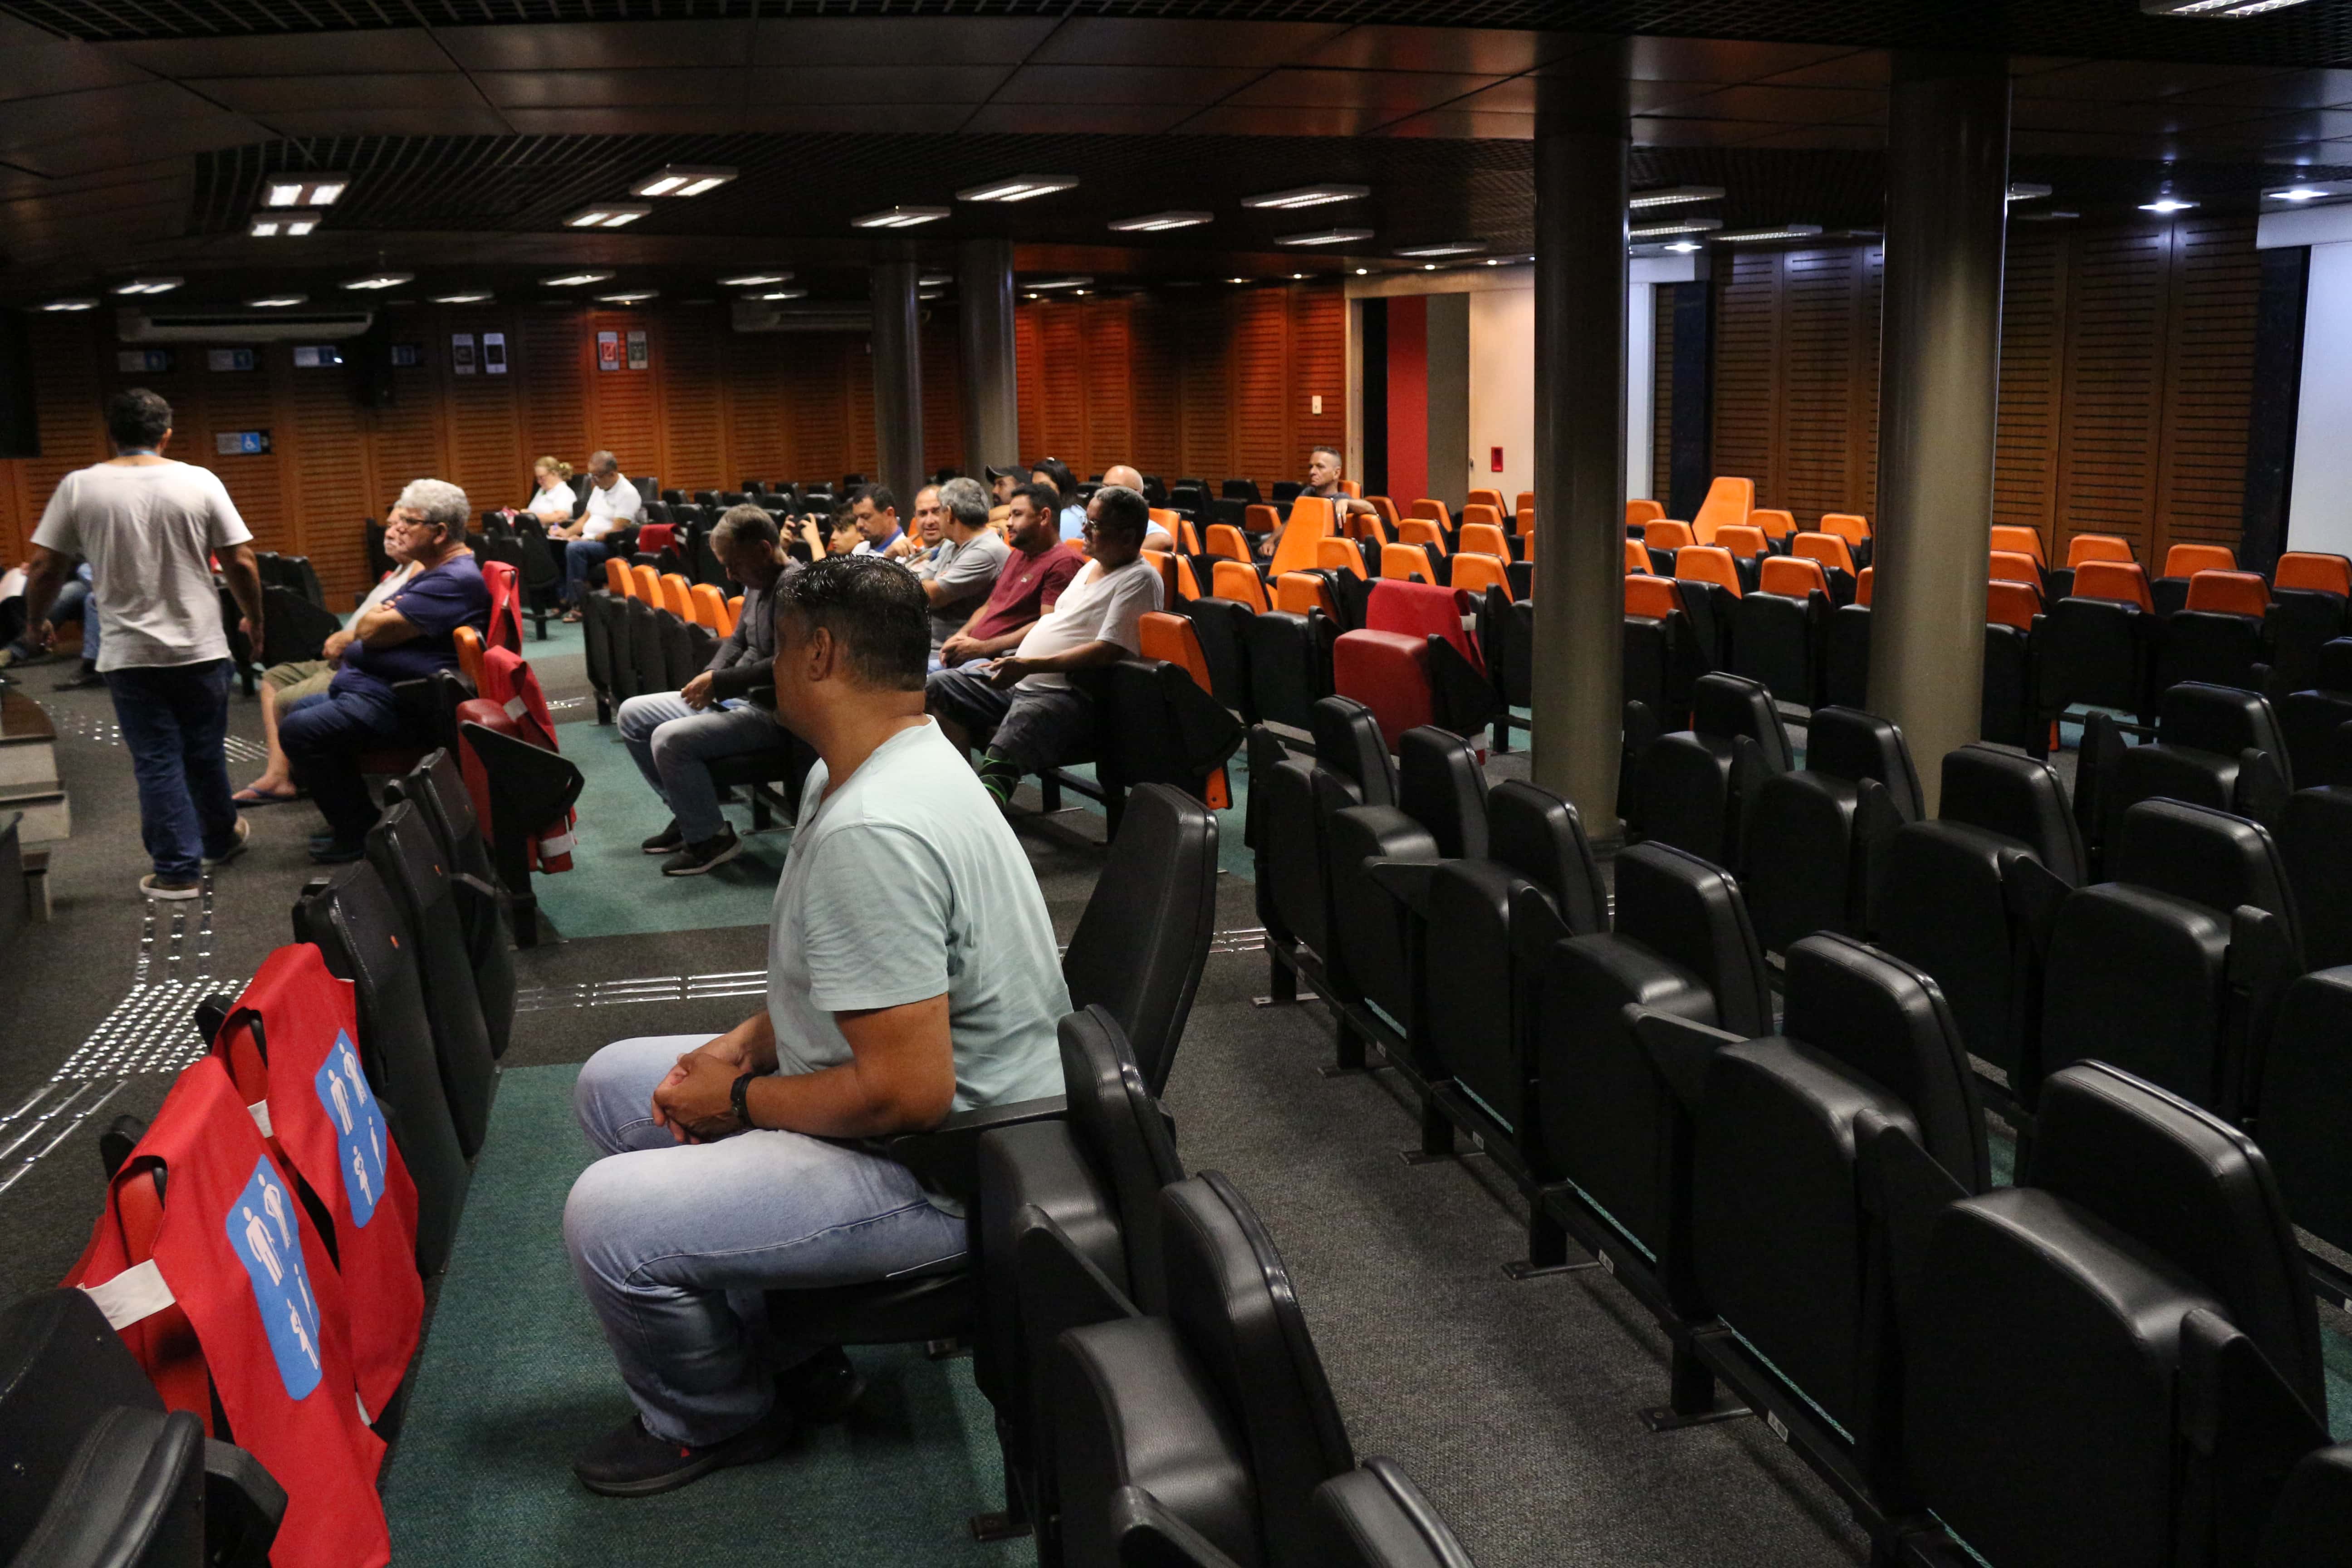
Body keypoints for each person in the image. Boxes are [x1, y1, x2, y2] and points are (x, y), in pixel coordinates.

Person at [563, 554, 1068, 1497]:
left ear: (822, 654)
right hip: (917, 1114)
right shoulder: (874, 766)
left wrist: (742, 1100)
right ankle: (791, 1350)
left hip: (950, 1167)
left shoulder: (875, 825)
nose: (766, 667)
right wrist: (744, 1045)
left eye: (781, 648)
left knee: (607, 1218)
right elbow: (855, 980)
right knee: (613, 1082)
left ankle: (714, 1418)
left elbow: (904, 1095)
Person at [19, 388, 264, 899]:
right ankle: (217, 840)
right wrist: (255, 619)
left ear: (110, 434)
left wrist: (35, 622)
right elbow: (241, 561)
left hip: (130, 654)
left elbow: (43, 567)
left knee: (157, 758)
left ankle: (177, 871)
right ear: (166, 434)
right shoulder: (200, 480)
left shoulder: (79, 486)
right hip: (201, 646)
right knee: (204, 752)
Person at [278, 479, 489, 864]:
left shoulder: (453, 580)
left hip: (407, 702)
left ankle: (359, 832)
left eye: (409, 522)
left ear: (440, 532)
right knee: (301, 709)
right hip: (383, 690)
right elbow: (378, 622)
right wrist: (377, 620)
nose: (397, 529)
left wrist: (374, 621)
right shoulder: (433, 571)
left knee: (301, 730)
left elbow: (370, 630)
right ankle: (356, 820)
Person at [924, 484, 1164, 806]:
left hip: (1066, 694)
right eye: (1087, 521)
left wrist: (1029, 665)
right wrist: (1018, 662)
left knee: (1001, 756)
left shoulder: (1140, 579)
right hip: (1023, 677)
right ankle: (960, 792)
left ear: (1127, 535)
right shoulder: (1092, 566)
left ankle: (982, 820)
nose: (1083, 530)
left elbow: (1108, 651)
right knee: (940, 687)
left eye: (1094, 525)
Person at [617, 505, 803, 876]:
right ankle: (692, 818)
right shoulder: (757, 583)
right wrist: (709, 677)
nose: (729, 575)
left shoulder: (796, 589)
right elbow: (737, 641)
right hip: (736, 697)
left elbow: (787, 664)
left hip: (772, 713)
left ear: (764, 550)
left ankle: (710, 839)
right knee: (632, 715)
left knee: (669, 739)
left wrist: (720, 684)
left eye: (734, 564)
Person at [234, 556, 419, 805]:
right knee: (275, 678)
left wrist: (349, 639)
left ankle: (309, 781)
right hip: (346, 657)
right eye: (391, 532)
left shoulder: (422, 572)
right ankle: (279, 776)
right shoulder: (396, 572)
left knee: (292, 705)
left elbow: (391, 630)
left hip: (361, 665)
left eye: (404, 531)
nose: (394, 536)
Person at [934, 483, 1083, 671]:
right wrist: (962, 635)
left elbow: (1046, 625)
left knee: (928, 681)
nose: (1009, 523)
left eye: (1017, 515)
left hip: (999, 662)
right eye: (1010, 515)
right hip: (972, 653)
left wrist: (983, 648)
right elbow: (990, 605)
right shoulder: (1018, 554)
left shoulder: (1064, 562)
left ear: (1044, 517)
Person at [911, 478, 1009, 669]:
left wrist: (928, 584)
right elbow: (920, 581)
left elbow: (929, 595)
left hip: (949, 655)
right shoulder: (952, 543)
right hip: (925, 647)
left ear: (949, 514)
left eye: (938, 511)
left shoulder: (987, 550)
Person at [551, 451, 642, 621]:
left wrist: (587, 539)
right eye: (591, 475)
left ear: (612, 474)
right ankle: (563, 598)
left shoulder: (628, 493)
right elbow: (585, 519)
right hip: (589, 541)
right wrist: (566, 533)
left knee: (575, 548)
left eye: (597, 476)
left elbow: (616, 531)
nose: (593, 481)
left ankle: (578, 604)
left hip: (611, 546)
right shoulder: (599, 489)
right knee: (557, 544)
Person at [1259, 444, 1374, 565]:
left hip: (1316, 561)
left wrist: (1349, 502)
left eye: (1320, 467)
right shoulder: (1307, 493)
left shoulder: (1341, 499)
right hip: (1290, 553)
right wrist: (1271, 541)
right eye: (1311, 467)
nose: (1312, 472)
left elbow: (1371, 509)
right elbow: (1291, 522)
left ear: (1336, 473)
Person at [0, 559, 100, 686]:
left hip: (106, 579)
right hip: (84, 582)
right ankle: (25, 645)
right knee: (64, 595)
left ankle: (18, 649)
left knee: (84, 577)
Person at [1102, 464, 1175, 552]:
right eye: (1104, 488)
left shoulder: (1138, 523)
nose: (1107, 494)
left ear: (1137, 495)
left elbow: (1164, 540)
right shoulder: (1095, 517)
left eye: (1116, 489)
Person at [1029, 457, 1086, 540]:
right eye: (1034, 486)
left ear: (1061, 487)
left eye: (1044, 486)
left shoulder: (1066, 518)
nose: (1037, 491)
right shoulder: (1075, 508)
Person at [846, 485, 903, 557]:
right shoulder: (859, 549)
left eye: (866, 517)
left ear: (889, 513)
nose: (858, 525)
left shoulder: (905, 552)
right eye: (856, 518)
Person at [522, 456, 577, 523]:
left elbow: (560, 517)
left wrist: (531, 516)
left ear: (554, 474)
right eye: (537, 478)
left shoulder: (564, 492)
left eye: (542, 478)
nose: (539, 482)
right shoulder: (542, 490)